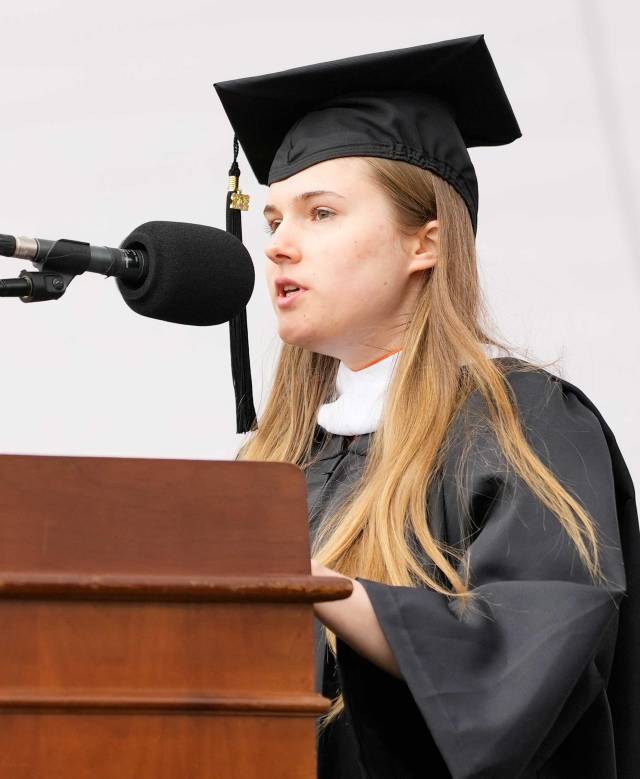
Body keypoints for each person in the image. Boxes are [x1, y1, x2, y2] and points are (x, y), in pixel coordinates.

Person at [215, 35, 640, 778]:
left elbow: (532, 648)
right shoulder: (276, 465)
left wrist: (317, 585)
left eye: (320, 213)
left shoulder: (520, 421)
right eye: (273, 220)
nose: (279, 245)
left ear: (426, 242)